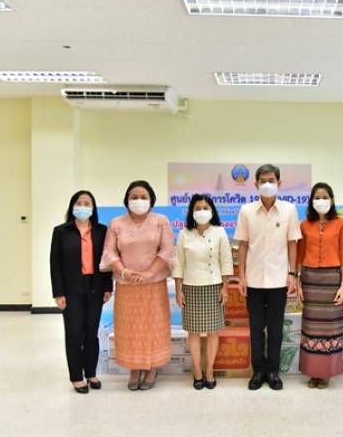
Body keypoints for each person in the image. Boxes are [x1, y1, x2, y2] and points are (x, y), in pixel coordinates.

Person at [100, 180, 174, 391]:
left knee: (153, 326)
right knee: (129, 328)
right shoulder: (116, 223)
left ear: (151, 200)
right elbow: (110, 252)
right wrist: (124, 271)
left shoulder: (161, 221)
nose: (139, 201)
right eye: (134, 197)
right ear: (127, 200)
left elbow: (167, 249)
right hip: (126, 284)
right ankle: (134, 368)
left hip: (154, 284)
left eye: (143, 197)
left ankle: (152, 367)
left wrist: (150, 272)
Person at [234, 164, 302, 391]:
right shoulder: (246, 211)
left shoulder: (289, 210)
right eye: (263, 181)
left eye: (271, 180)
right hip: (253, 281)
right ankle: (258, 371)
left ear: (279, 183)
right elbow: (243, 245)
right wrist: (241, 276)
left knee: (275, 330)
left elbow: (292, 244)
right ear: (255, 184)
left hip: (278, 280)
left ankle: (273, 371)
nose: (267, 184)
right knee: (256, 329)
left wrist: (292, 274)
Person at [50, 190, 112, 393]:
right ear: (72, 206)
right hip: (70, 289)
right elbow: (55, 264)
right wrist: (58, 293)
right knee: (74, 333)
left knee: (91, 333)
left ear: (93, 208)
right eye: (79, 203)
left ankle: (91, 373)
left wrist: (108, 286)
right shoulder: (61, 231)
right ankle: (77, 376)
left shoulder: (101, 230)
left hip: (95, 287)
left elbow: (107, 260)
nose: (83, 207)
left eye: (87, 203)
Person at [173, 194, 233, 390]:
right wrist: (178, 290)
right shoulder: (184, 234)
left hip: (214, 286)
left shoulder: (220, 232)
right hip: (191, 287)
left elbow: (226, 261)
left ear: (212, 211)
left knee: (214, 332)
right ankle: (197, 371)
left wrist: (225, 287)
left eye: (205, 208)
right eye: (197, 208)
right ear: (191, 212)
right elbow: (179, 264)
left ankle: (209, 371)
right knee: (194, 332)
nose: (201, 212)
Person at [296, 182, 343, 389]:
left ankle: (325, 373)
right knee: (311, 327)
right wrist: (298, 283)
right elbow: (299, 256)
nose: (321, 201)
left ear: (332, 200)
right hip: (310, 280)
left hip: (332, 280)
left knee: (330, 328)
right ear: (311, 201)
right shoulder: (304, 225)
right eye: (317, 197)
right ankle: (313, 372)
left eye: (324, 197)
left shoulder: (340, 224)